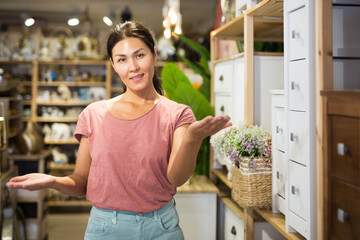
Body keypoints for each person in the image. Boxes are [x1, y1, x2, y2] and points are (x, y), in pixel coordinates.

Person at [7, 21, 231, 240]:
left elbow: (176, 178)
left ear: (154, 54)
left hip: (161, 227)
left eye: (139, 55)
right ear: (114, 65)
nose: (133, 67)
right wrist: (52, 181)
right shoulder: (93, 114)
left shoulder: (177, 113)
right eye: (122, 59)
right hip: (105, 228)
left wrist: (192, 138)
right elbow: (81, 182)